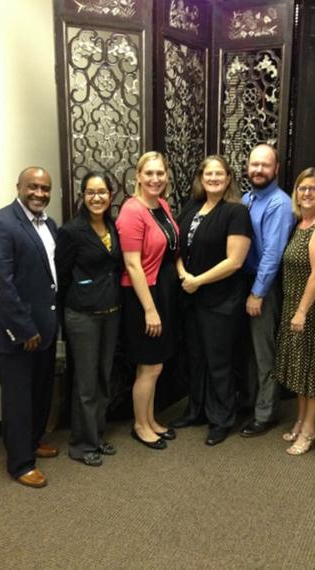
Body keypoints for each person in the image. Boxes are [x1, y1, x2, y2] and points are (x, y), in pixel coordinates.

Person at [0, 166, 59, 488]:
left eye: (45, 188)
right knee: (18, 398)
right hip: (15, 332)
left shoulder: (50, 225)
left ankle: (33, 441)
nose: (39, 193)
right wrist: (24, 329)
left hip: (45, 326)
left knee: (41, 391)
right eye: (33, 187)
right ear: (19, 187)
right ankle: (20, 463)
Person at [171, 155, 251, 446]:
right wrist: (183, 275)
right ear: (200, 178)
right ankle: (196, 411)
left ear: (228, 178)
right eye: (209, 174)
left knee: (219, 362)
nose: (214, 178)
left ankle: (221, 419)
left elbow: (235, 261)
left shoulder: (236, 212)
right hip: (190, 298)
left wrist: (197, 281)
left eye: (220, 174)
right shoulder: (191, 207)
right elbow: (176, 246)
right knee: (195, 358)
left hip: (221, 301)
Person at [55, 171, 122, 467]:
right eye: (91, 192)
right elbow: (63, 275)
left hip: (111, 313)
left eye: (103, 192)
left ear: (111, 195)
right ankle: (81, 444)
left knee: (103, 378)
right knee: (85, 383)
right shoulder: (72, 231)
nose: (97, 198)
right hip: (82, 316)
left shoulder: (112, 226)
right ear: (82, 196)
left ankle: (96, 434)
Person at [271, 168, 315, 455]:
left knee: (314, 371)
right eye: (302, 188)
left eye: (313, 188)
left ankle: (310, 427)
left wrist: (301, 311)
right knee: (300, 370)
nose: (307, 193)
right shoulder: (299, 224)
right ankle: (301, 419)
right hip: (294, 306)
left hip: (311, 311)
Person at [117, 151, 180, 450]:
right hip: (143, 296)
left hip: (163, 292)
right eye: (149, 173)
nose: (155, 179)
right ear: (138, 177)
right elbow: (132, 264)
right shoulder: (132, 211)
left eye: (160, 173)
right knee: (148, 366)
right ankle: (140, 425)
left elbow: (170, 251)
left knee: (156, 366)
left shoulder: (162, 206)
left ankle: (151, 419)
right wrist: (150, 310)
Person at [239, 144, 296, 438]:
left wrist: (257, 293)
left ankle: (265, 413)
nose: (259, 170)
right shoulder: (247, 199)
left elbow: (273, 254)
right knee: (248, 350)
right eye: (254, 164)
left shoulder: (279, 203)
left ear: (275, 169)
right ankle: (250, 400)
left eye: (265, 165)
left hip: (264, 285)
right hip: (243, 283)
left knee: (264, 353)